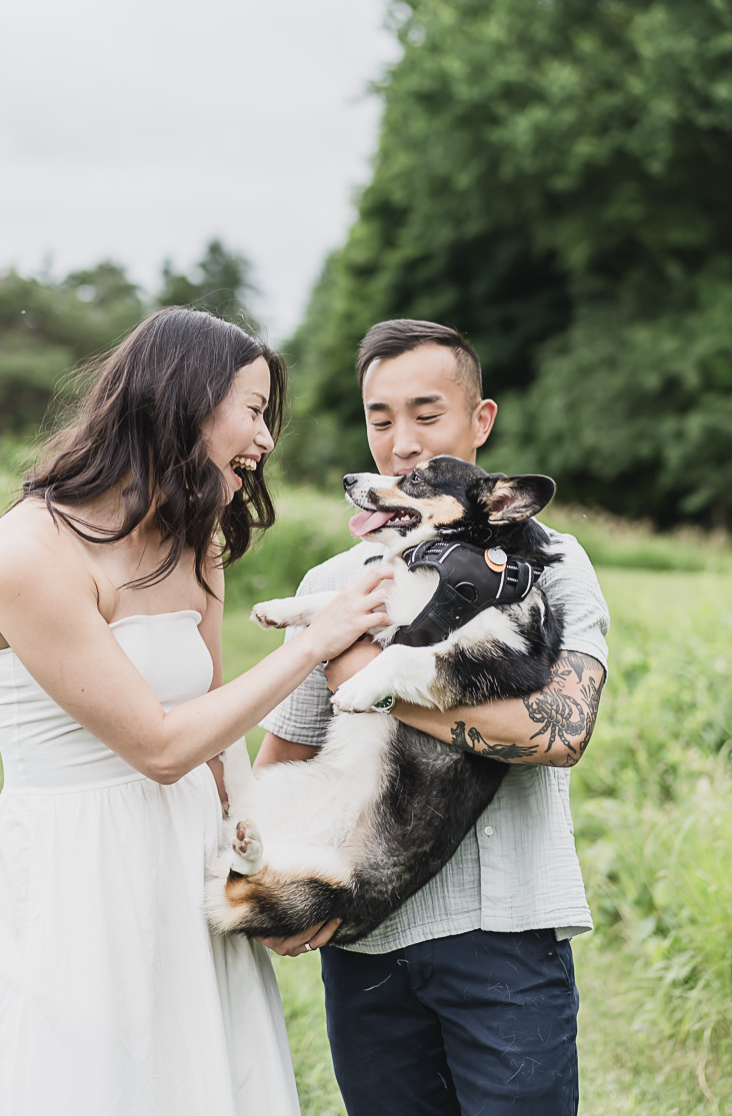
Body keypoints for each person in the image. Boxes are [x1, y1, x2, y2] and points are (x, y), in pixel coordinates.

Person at [0, 308, 391, 1116]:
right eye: (254, 411)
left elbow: (214, 727)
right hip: (82, 863)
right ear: (183, 399)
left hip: (189, 851)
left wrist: (260, 865)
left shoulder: (196, 540)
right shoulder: (29, 553)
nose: (265, 440)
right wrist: (312, 642)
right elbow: (156, 747)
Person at [257, 318, 610, 1116]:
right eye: (380, 418)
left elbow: (559, 732)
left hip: (506, 934)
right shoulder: (336, 577)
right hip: (366, 942)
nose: (401, 441)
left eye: (426, 414)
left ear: (479, 422)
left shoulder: (549, 561)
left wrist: (365, 670)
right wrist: (273, 876)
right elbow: (286, 752)